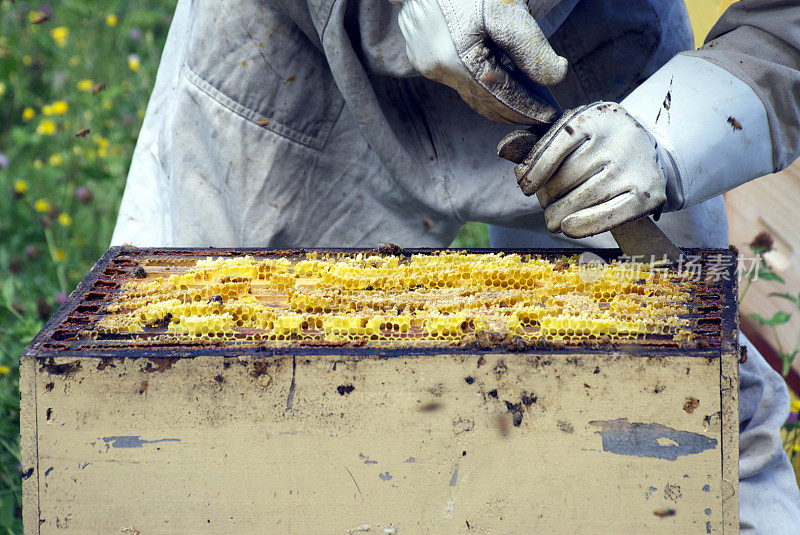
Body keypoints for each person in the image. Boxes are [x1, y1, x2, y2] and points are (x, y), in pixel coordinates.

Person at [111, 0, 800, 531]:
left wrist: (670, 136)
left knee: (688, 413)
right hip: (309, 37)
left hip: (593, 53)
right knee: (196, 384)